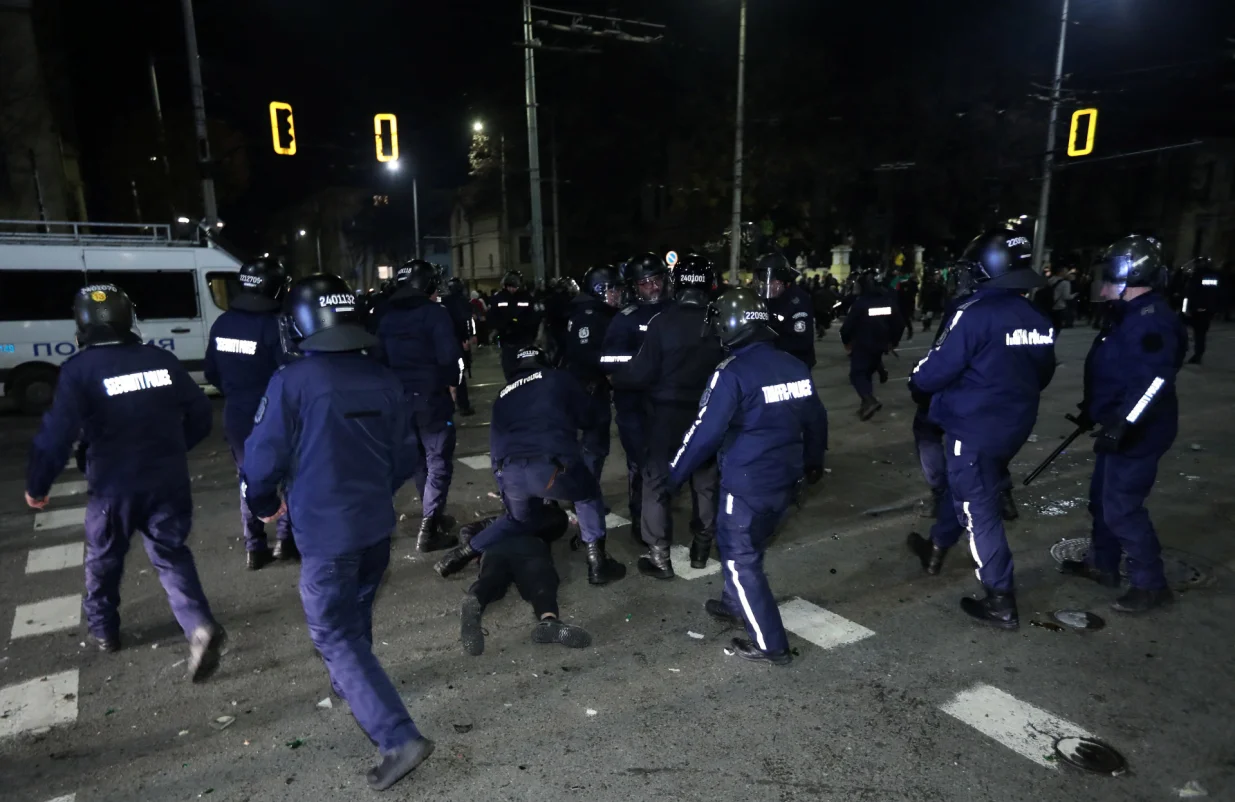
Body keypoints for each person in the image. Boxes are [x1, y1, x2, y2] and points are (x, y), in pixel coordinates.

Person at [244, 274, 434, 791]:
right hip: (375, 527)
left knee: (334, 631)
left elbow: (261, 461)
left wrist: (264, 506)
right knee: (355, 616)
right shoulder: (385, 379)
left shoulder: (294, 381)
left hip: (327, 536)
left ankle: (397, 735)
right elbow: (405, 459)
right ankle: (352, 686)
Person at [26, 284, 225, 680]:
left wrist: (38, 484)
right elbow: (201, 414)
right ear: (127, 318)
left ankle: (105, 631)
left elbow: (56, 435)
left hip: (112, 488)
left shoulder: (78, 371)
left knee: (104, 560)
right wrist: (173, 448)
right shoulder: (161, 360)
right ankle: (199, 625)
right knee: (170, 554)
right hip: (166, 480)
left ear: (81, 325)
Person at [665, 289, 827, 664]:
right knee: (747, 545)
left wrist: (673, 477)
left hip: (748, 484)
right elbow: (817, 420)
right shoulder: (793, 365)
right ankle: (734, 602)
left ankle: (771, 644)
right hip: (786, 480)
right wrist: (814, 461)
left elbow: (703, 433)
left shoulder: (731, 373)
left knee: (741, 558)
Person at [908, 225, 1056, 630]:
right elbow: (1042, 374)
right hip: (1013, 426)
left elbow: (931, 373)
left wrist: (916, 383)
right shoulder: (1035, 316)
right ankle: (937, 547)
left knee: (978, 508)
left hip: (972, 429)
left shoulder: (973, 313)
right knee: (971, 488)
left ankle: (1000, 598)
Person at [1059, 235, 1186, 613]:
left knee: (1122, 508)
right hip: (1121, 424)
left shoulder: (1152, 320)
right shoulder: (1127, 315)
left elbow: (1153, 382)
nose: (1102, 283)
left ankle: (1150, 584)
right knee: (1102, 500)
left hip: (1140, 431)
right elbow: (1115, 373)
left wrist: (1124, 423)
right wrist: (1093, 410)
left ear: (1129, 276)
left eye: (1108, 276)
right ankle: (1102, 564)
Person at [433, 347, 626, 586]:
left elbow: (496, 443)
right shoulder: (557, 378)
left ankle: (459, 555)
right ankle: (598, 564)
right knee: (587, 494)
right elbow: (587, 417)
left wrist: (504, 484)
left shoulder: (503, 394)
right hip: (552, 465)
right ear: (545, 362)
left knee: (517, 519)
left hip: (510, 472)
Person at [612, 253, 725, 577]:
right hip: (708, 415)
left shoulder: (663, 322)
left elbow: (641, 371)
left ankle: (659, 556)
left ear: (676, 284)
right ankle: (702, 547)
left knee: (656, 482)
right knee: (705, 482)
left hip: (667, 416)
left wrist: (615, 379)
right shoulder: (719, 321)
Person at [204, 258, 296, 570]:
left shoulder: (222, 323)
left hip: (238, 414)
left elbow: (211, 372)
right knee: (286, 475)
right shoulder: (276, 324)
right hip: (274, 413)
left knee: (248, 477)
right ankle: (285, 541)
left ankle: (255, 546)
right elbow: (290, 370)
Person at [373, 260, 463, 553]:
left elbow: (379, 359)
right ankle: (429, 528)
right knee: (438, 461)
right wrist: (452, 386)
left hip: (399, 402)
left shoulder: (386, 316)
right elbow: (450, 358)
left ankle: (433, 516)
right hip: (430, 399)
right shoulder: (435, 314)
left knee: (419, 462)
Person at [600, 253, 673, 544]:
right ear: (634, 286)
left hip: (669, 404)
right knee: (640, 465)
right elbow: (608, 363)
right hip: (634, 407)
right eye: (645, 283)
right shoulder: (625, 319)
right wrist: (643, 365)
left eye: (656, 280)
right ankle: (640, 521)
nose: (653, 287)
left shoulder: (676, 311)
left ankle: (659, 517)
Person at [451, 506, 592, 655]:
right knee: (540, 581)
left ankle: (475, 599)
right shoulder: (542, 515)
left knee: (491, 579)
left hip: (495, 548)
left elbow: (466, 529)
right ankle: (549, 619)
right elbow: (557, 526)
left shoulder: (497, 520)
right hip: (530, 546)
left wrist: (476, 550)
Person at [560, 265, 624, 481]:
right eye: (612, 289)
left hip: (591, 389)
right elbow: (587, 355)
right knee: (593, 448)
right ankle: (585, 499)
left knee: (590, 448)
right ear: (598, 289)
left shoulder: (598, 313)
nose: (617, 294)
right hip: (587, 391)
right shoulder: (589, 316)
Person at [840, 269, 904, 420]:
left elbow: (846, 327)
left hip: (862, 345)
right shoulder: (888, 302)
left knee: (857, 374)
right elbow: (899, 324)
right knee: (867, 372)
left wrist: (846, 342)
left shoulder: (860, 304)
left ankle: (869, 400)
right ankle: (866, 403)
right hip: (880, 345)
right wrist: (893, 341)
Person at [757, 253, 816, 368]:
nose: (767, 286)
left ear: (783, 281)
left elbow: (802, 341)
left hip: (796, 363)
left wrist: (767, 343)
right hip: (775, 360)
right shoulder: (769, 299)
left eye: (772, 282)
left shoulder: (799, 301)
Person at [488, 270, 543, 380]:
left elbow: (536, 317)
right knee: (509, 371)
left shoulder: (527, 298)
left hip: (525, 340)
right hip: (507, 342)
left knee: (526, 371)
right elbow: (492, 316)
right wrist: (496, 330)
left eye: (514, 287)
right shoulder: (499, 297)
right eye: (509, 286)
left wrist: (536, 336)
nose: (511, 289)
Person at [440, 276, 477, 415]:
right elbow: (466, 321)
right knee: (460, 374)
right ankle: (464, 406)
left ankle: (452, 404)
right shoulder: (462, 301)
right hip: (458, 341)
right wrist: (467, 337)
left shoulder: (445, 301)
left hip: (447, 341)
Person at [1181, 257, 1221, 365]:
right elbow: (1217, 293)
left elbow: (1190, 293)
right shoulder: (1214, 275)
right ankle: (1197, 354)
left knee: (1194, 332)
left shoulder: (1196, 275)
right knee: (1200, 333)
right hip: (1206, 309)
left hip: (1197, 308)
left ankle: (1191, 353)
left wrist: (1186, 309)